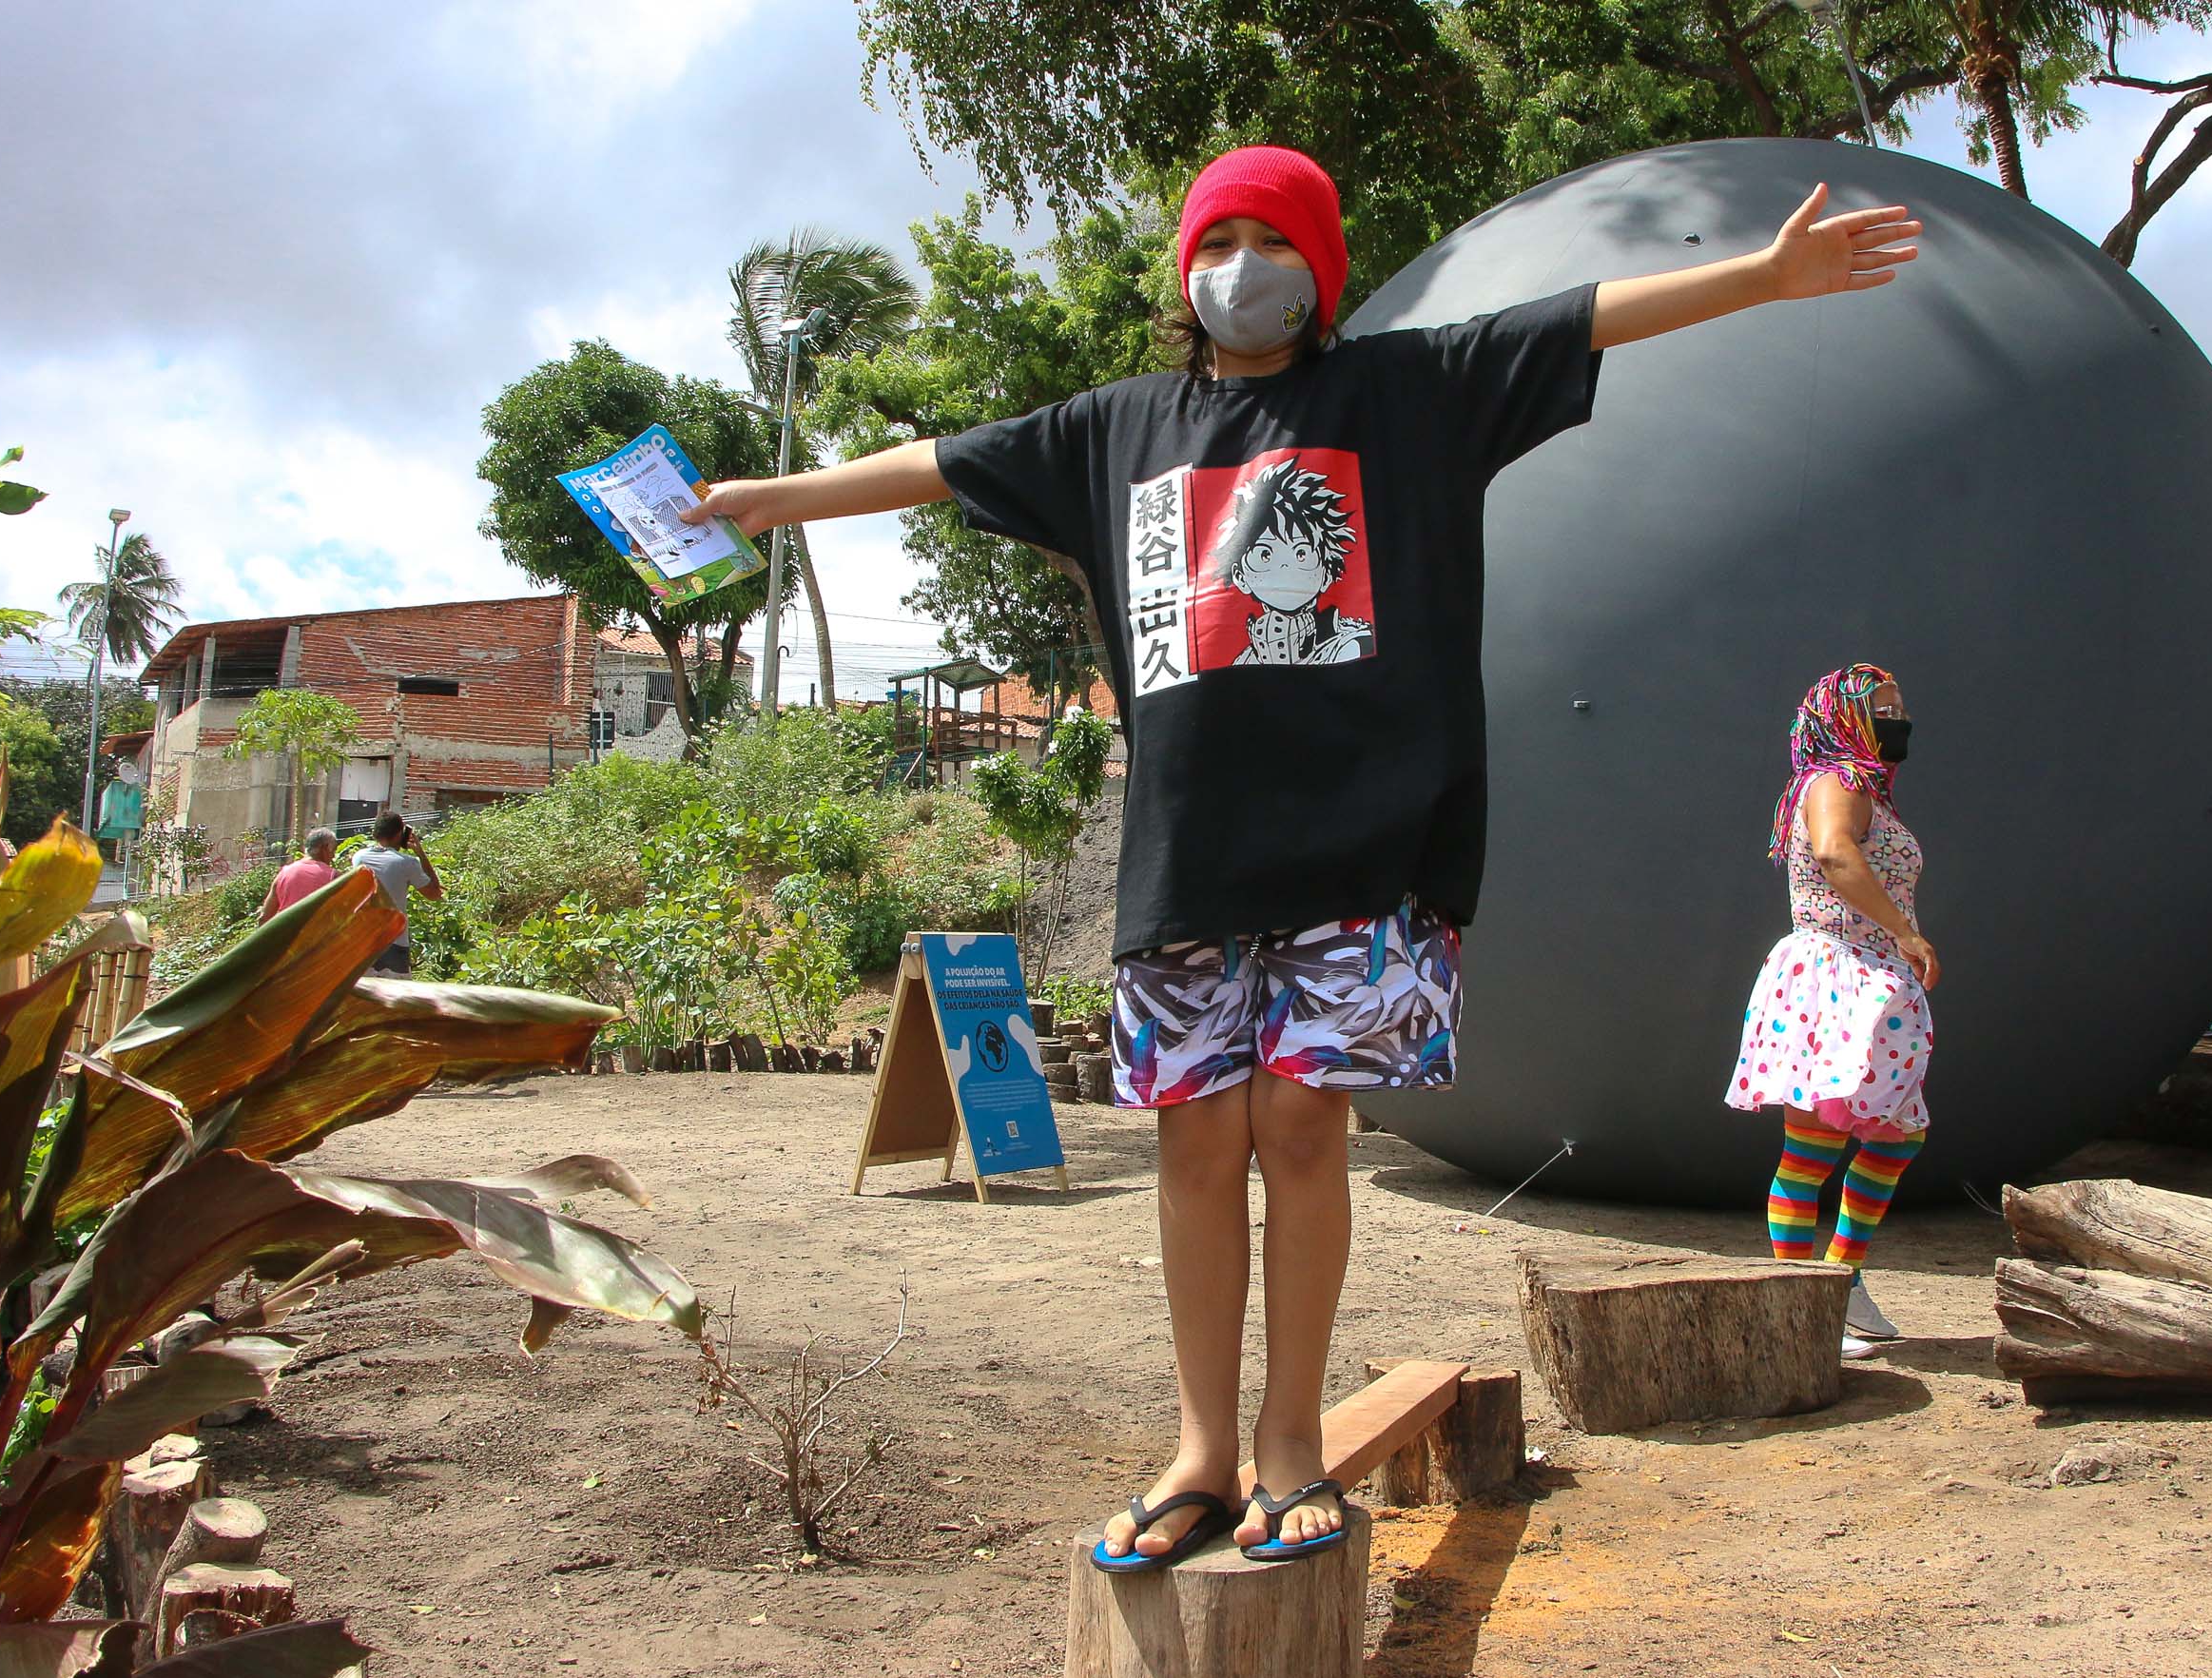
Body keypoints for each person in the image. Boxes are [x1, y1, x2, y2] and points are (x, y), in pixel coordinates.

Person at [681, 144, 1921, 1570]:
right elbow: (948, 461)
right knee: (1197, 1140)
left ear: (1320, 270)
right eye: (1221, 238)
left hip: (1365, 848)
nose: (1242, 266)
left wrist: (1767, 279)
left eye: (1275, 239)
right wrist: (775, 499)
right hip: (1191, 856)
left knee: (1302, 1126)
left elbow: (1583, 316)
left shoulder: (1404, 391)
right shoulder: (1116, 426)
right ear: (1185, 268)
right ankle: (1203, 1447)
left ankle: (1289, 1443)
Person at [1725, 664, 1939, 1361]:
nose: (1898, 716)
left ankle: (1838, 1280)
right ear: (1843, 717)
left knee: (1896, 1134)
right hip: (1835, 976)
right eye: (1883, 706)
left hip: (1870, 981)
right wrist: (1906, 934)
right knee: (1812, 1146)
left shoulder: (1863, 788)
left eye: (1901, 704)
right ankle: (1802, 1301)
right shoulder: (1836, 784)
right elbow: (1833, 853)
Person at [352, 810, 440, 975]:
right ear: (400, 834)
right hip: (394, 940)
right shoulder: (407, 863)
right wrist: (420, 852)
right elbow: (435, 893)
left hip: (364, 939)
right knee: (395, 994)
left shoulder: (359, 858)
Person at [261, 826, 342, 920]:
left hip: (286, 933)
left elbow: (264, 917)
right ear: (325, 848)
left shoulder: (284, 873)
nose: (333, 856)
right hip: (316, 932)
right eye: (333, 850)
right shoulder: (333, 876)